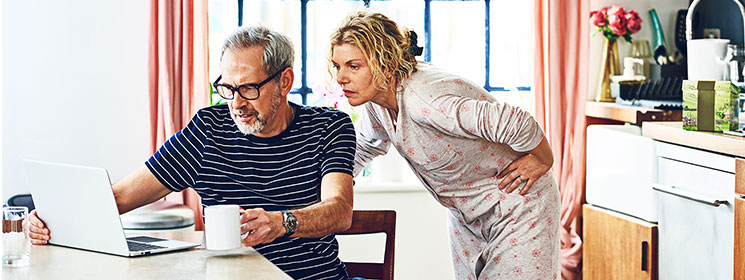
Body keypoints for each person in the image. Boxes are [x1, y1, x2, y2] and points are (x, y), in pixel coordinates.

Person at [28, 26, 356, 280]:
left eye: (248, 89)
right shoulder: (208, 130)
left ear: (285, 81)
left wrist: (284, 221)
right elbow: (119, 196)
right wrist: (49, 218)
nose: (236, 103)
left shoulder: (328, 128)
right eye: (227, 88)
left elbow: (339, 210)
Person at [329, 10, 561, 279]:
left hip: (520, 206)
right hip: (468, 216)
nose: (341, 77)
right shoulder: (377, 102)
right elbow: (364, 147)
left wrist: (544, 159)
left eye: (353, 66)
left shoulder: (426, 101)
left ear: (386, 63)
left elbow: (516, 121)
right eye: (337, 66)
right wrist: (322, 194)